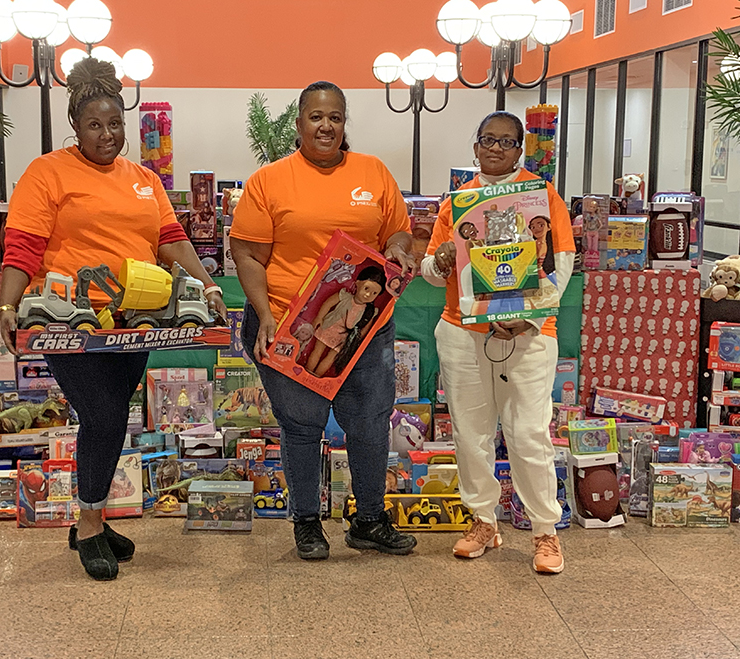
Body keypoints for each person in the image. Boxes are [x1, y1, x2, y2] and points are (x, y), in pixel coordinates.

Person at [0, 57, 226, 581]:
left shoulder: (143, 177)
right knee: (101, 415)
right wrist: (8, 307)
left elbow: (170, 239)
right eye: (94, 125)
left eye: (115, 123)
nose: (107, 134)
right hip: (71, 321)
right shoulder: (48, 172)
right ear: (75, 125)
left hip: (135, 319)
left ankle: (91, 516)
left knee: (115, 412)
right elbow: (24, 245)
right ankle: (91, 524)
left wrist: (208, 283)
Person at [231, 80, 417, 560]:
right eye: (316, 116)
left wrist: (398, 248)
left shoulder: (373, 172)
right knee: (301, 426)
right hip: (292, 325)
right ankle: (307, 523)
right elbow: (247, 254)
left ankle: (369, 520)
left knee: (371, 423)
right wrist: (267, 316)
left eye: (335, 116)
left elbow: (397, 230)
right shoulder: (268, 181)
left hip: (364, 328)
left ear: (344, 122)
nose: (326, 125)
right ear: (298, 124)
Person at [422, 111, 575, 574]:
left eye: (507, 142)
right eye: (487, 139)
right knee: (470, 434)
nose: (496, 148)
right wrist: (443, 259)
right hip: (463, 331)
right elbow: (430, 273)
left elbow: (562, 263)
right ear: (475, 147)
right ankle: (483, 521)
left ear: (520, 149)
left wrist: (530, 317)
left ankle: (545, 531)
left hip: (529, 335)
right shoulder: (458, 202)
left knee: (528, 433)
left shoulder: (543, 196)